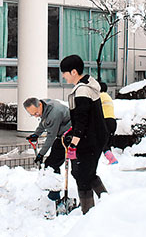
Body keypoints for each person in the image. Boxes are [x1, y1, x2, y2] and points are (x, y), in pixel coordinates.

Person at [59, 54, 109, 214]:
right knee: (83, 173)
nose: (63, 76)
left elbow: (82, 120)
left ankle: (88, 214)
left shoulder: (82, 91)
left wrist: (74, 141)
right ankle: (107, 201)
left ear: (73, 72)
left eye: (64, 72)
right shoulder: (86, 86)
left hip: (90, 139)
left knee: (83, 176)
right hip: (93, 137)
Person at [23, 97, 71, 202]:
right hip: (61, 135)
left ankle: (55, 194)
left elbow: (51, 136)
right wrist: (36, 134)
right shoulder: (44, 106)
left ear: (39, 105)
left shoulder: (54, 113)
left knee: (52, 164)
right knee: (51, 163)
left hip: (68, 136)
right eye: (32, 115)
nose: (36, 116)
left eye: (36, 113)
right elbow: (44, 122)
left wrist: (41, 154)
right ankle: (54, 193)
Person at [98, 82, 119, 165]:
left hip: (105, 121)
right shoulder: (108, 97)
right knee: (107, 141)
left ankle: (112, 159)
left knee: (102, 141)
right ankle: (111, 160)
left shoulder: (99, 96)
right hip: (112, 121)